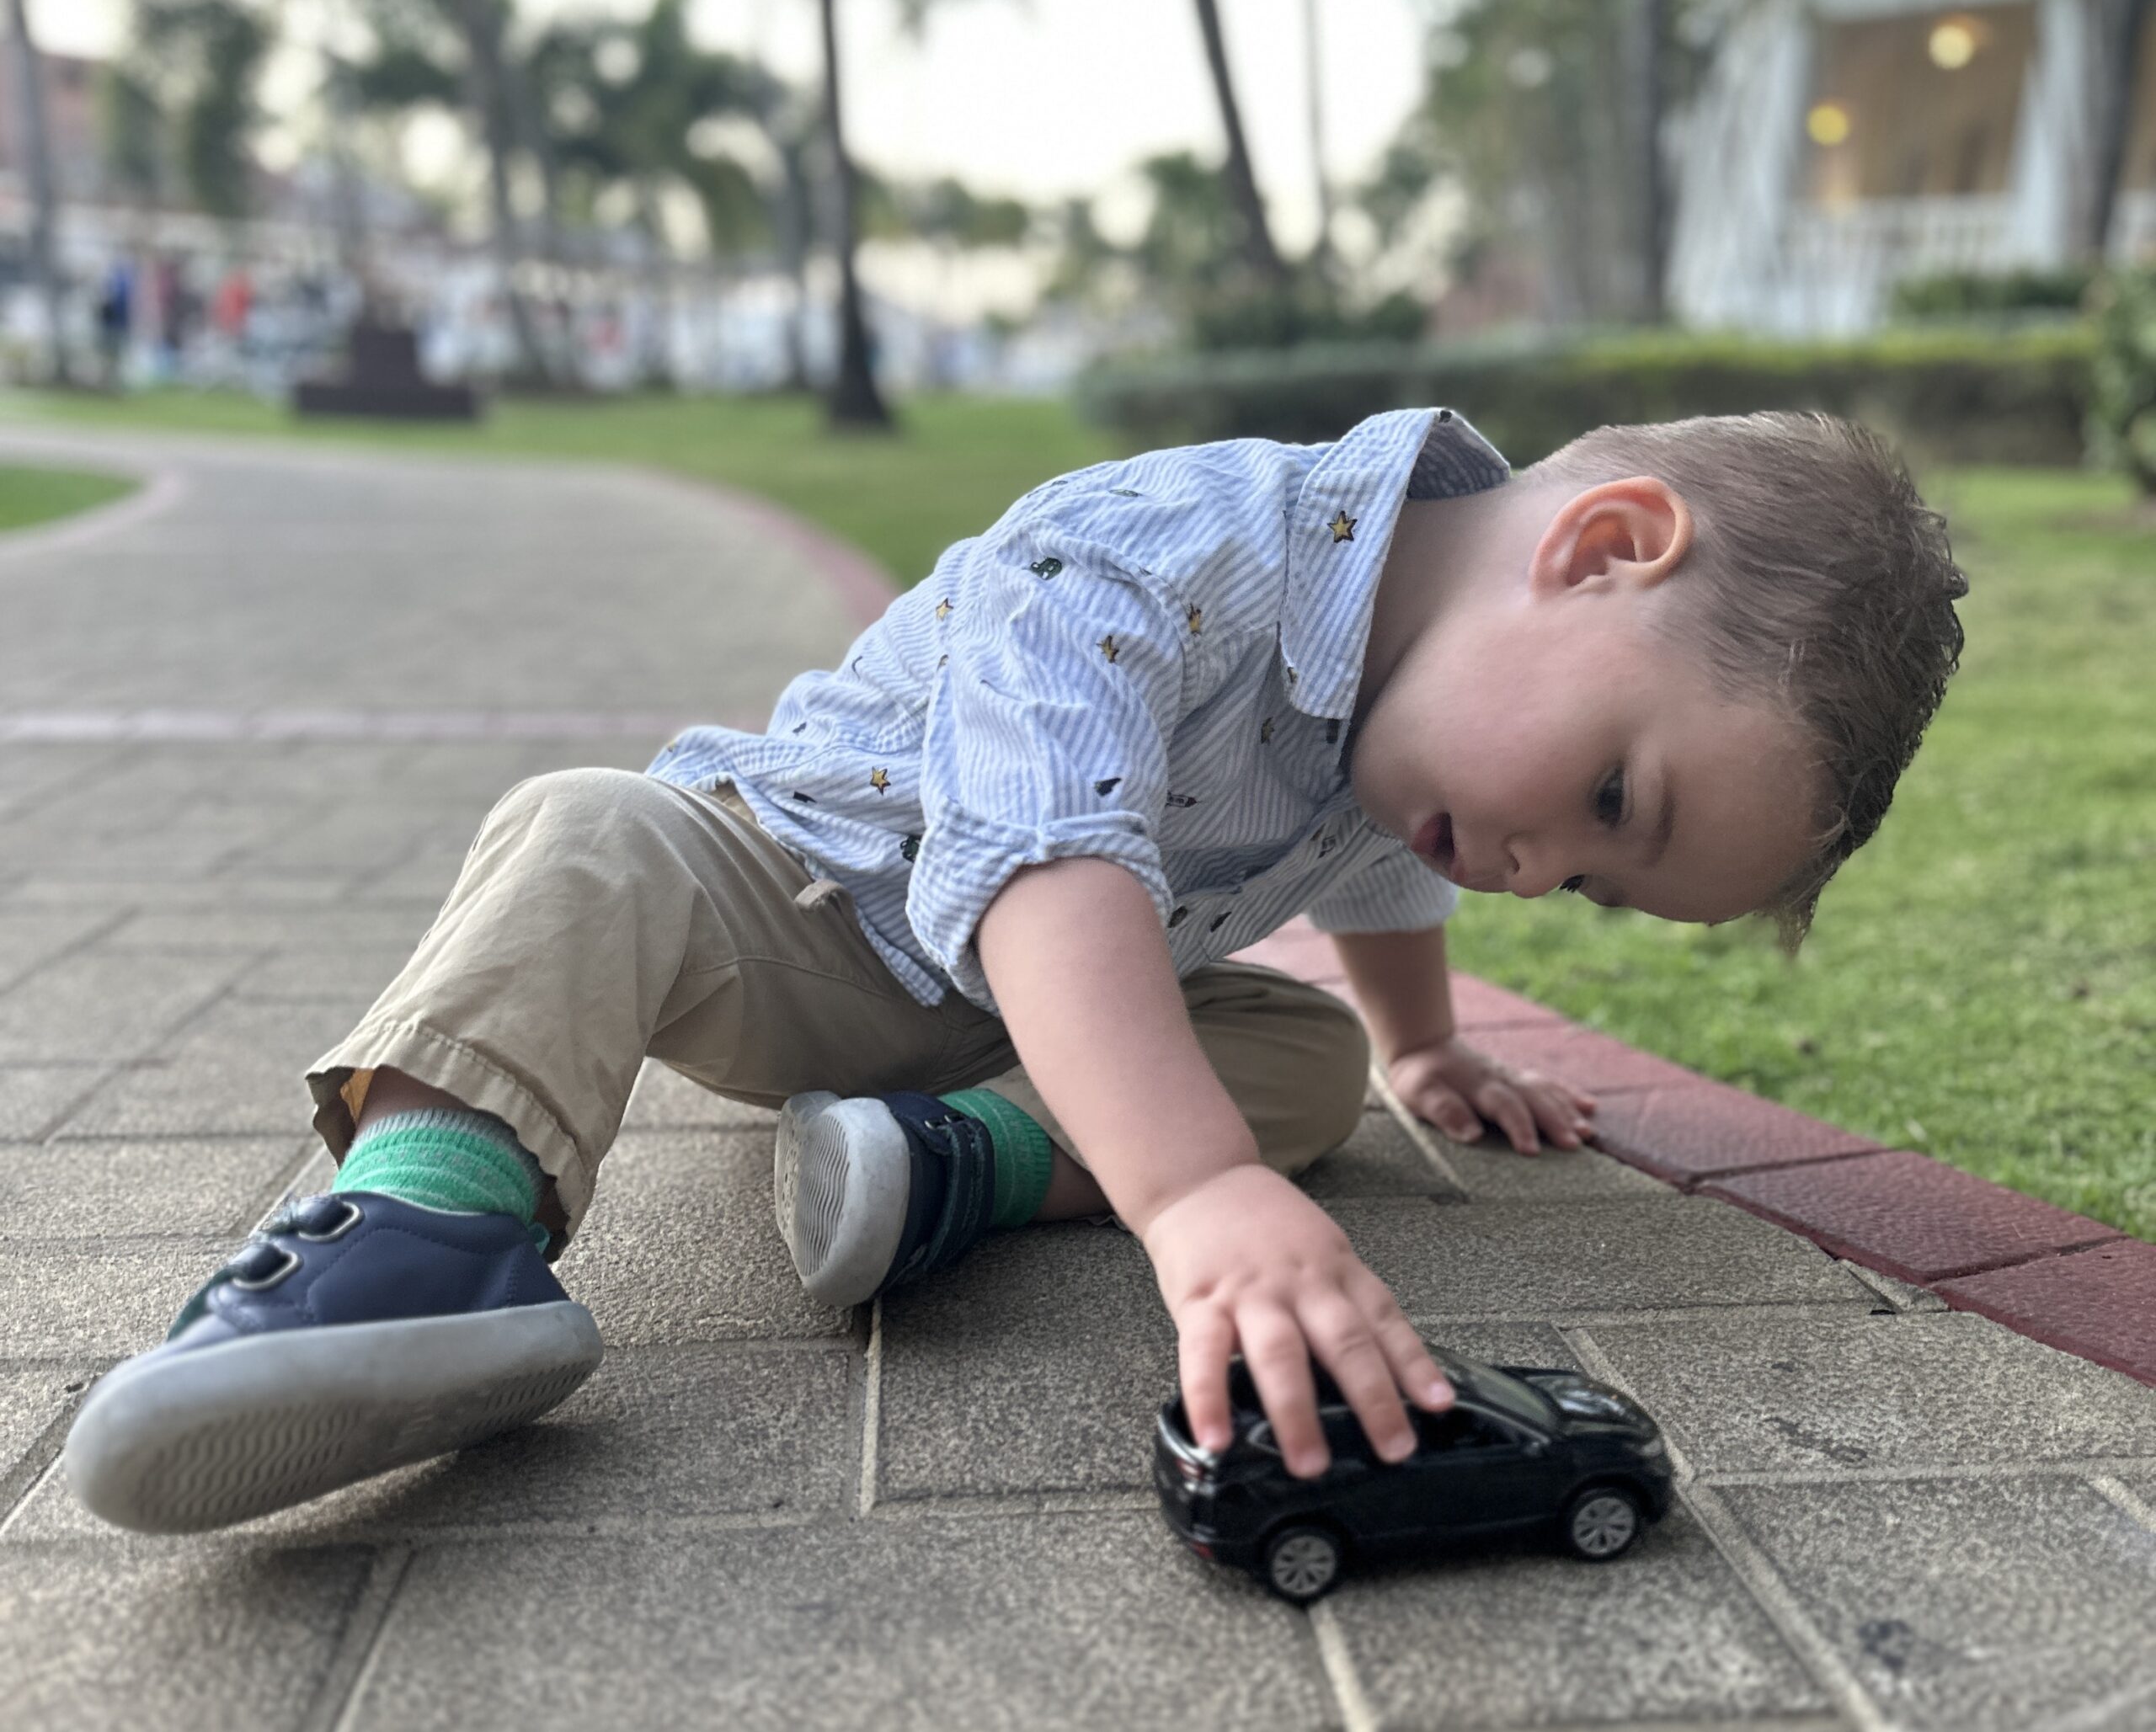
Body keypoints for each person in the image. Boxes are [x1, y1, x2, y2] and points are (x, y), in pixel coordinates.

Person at [63, 408, 1966, 1533]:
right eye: (1609, 797)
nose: (1543, 866)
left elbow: (1392, 872)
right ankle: (426, 1225)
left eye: (1596, 889)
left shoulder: (1439, 721)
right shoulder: (1156, 551)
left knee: (1293, 1063)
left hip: (1028, 1021)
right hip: (793, 916)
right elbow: (1051, 866)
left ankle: (934, 1163)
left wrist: (1427, 1052)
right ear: (1602, 549)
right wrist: (1195, 1196)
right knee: (584, 832)